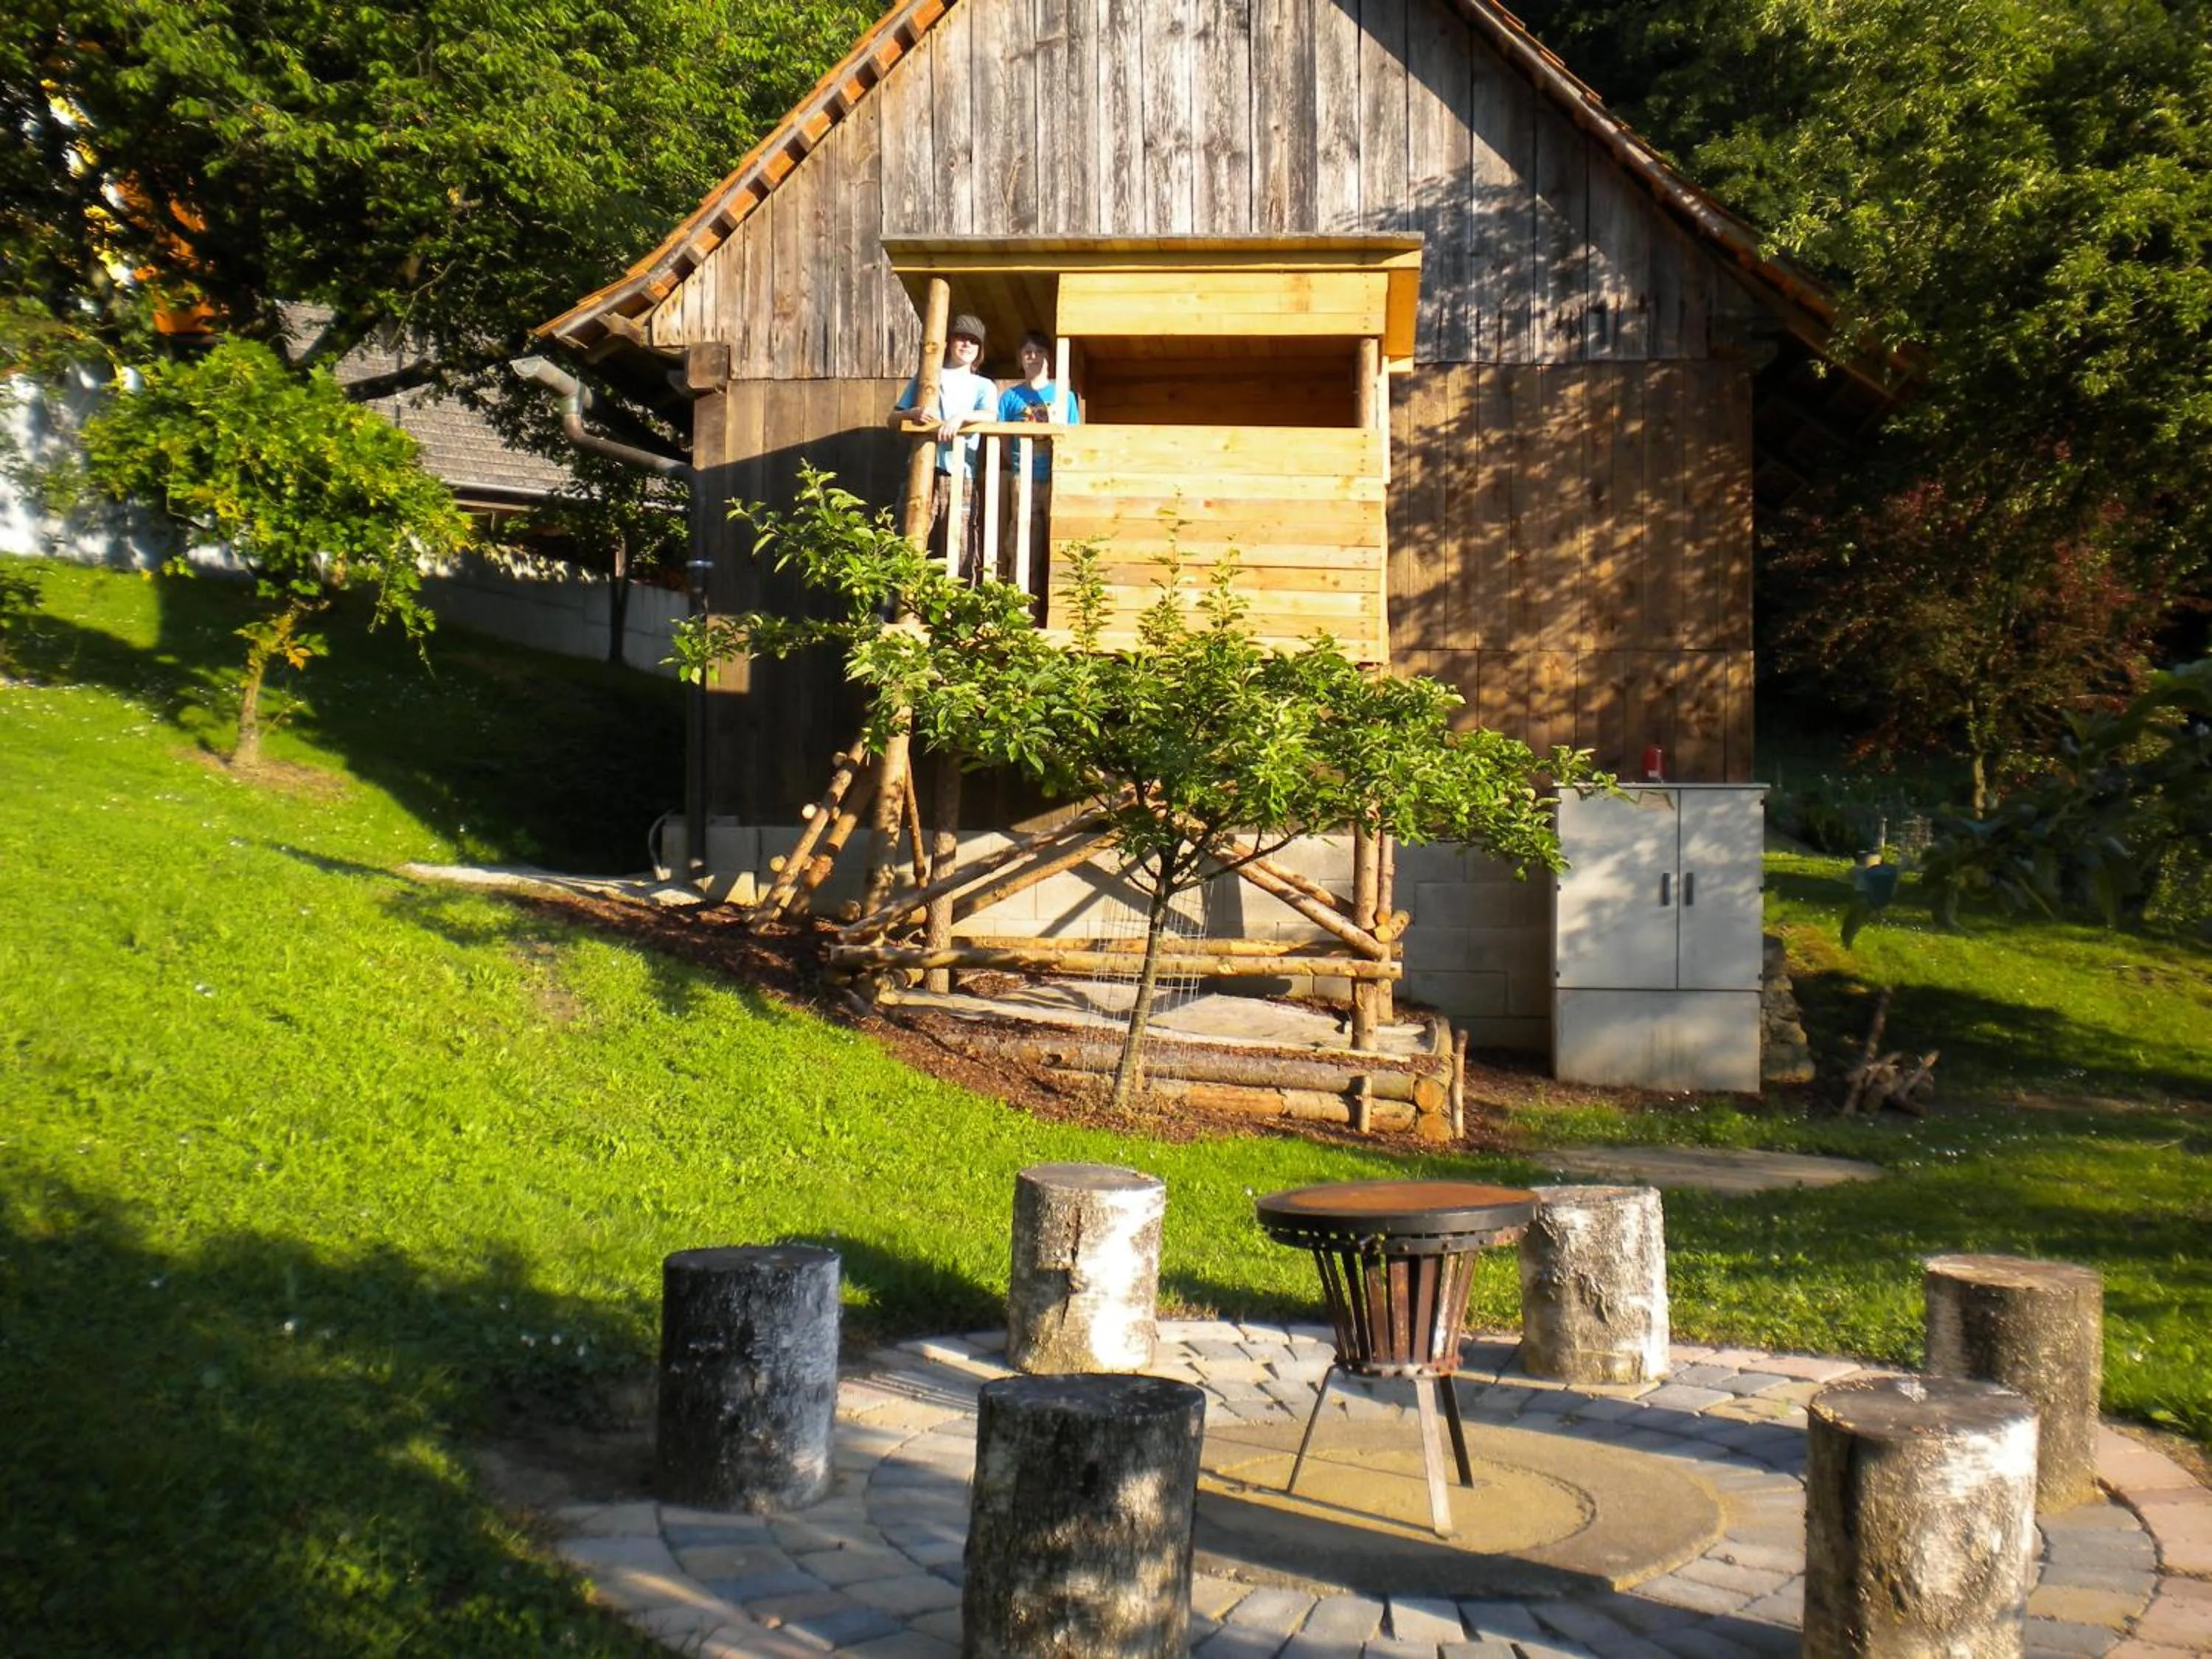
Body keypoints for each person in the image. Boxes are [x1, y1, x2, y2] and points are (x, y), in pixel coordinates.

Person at [888, 313, 996, 577]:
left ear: (980, 349)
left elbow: (991, 416)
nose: (967, 345)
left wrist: (960, 418)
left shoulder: (983, 385)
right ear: (949, 342)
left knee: (961, 543)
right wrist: (911, 414)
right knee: (910, 537)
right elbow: (892, 419)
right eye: (962, 338)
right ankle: (899, 607)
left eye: (974, 341)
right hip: (922, 468)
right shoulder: (927, 378)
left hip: (962, 474)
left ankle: (960, 608)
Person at [995, 330, 1079, 588]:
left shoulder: (1065, 396)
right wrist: (1019, 466)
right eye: (1028, 352)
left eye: (1040, 351)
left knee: (1060, 545)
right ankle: (1021, 611)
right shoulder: (1010, 397)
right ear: (1020, 359)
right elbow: (1004, 443)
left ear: (1049, 358)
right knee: (1022, 546)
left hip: (1058, 479)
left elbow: (1074, 436)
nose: (1034, 357)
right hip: (1024, 480)